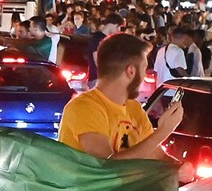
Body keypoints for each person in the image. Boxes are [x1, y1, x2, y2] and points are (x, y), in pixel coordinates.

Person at [57, 33, 182, 161]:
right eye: (144, 69)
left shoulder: (134, 108)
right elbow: (107, 165)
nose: (145, 76)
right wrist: (163, 132)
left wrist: (179, 168)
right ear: (131, 71)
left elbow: (156, 154)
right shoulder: (84, 107)